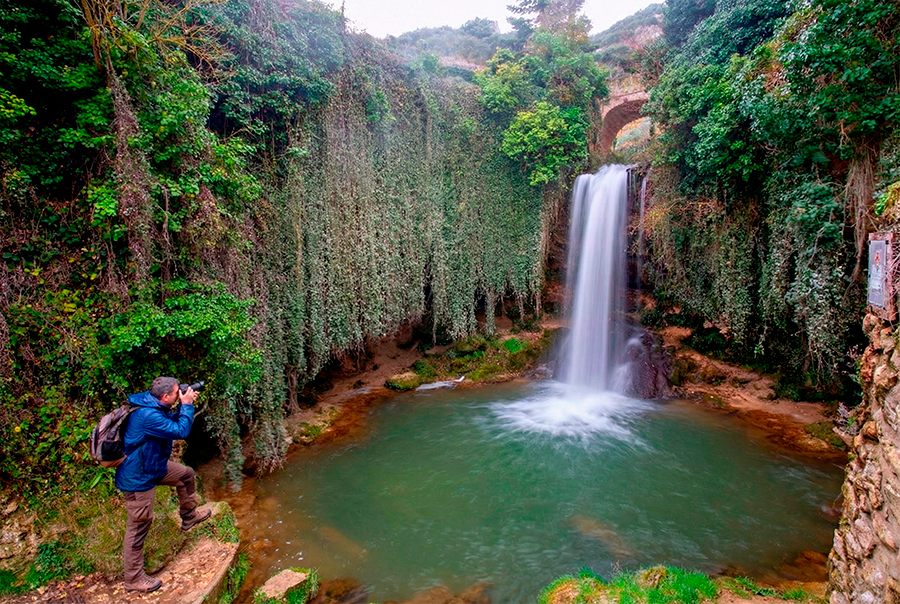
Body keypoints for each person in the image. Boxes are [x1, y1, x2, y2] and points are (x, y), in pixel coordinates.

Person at [115, 376, 212, 593]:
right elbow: (180, 431)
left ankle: (189, 516)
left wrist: (183, 406)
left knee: (186, 475)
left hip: (153, 466)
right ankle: (133, 578)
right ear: (166, 396)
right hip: (138, 477)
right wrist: (186, 406)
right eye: (178, 392)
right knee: (140, 524)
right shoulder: (147, 415)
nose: (180, 394)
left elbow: (171, 424)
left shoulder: (153, 404)